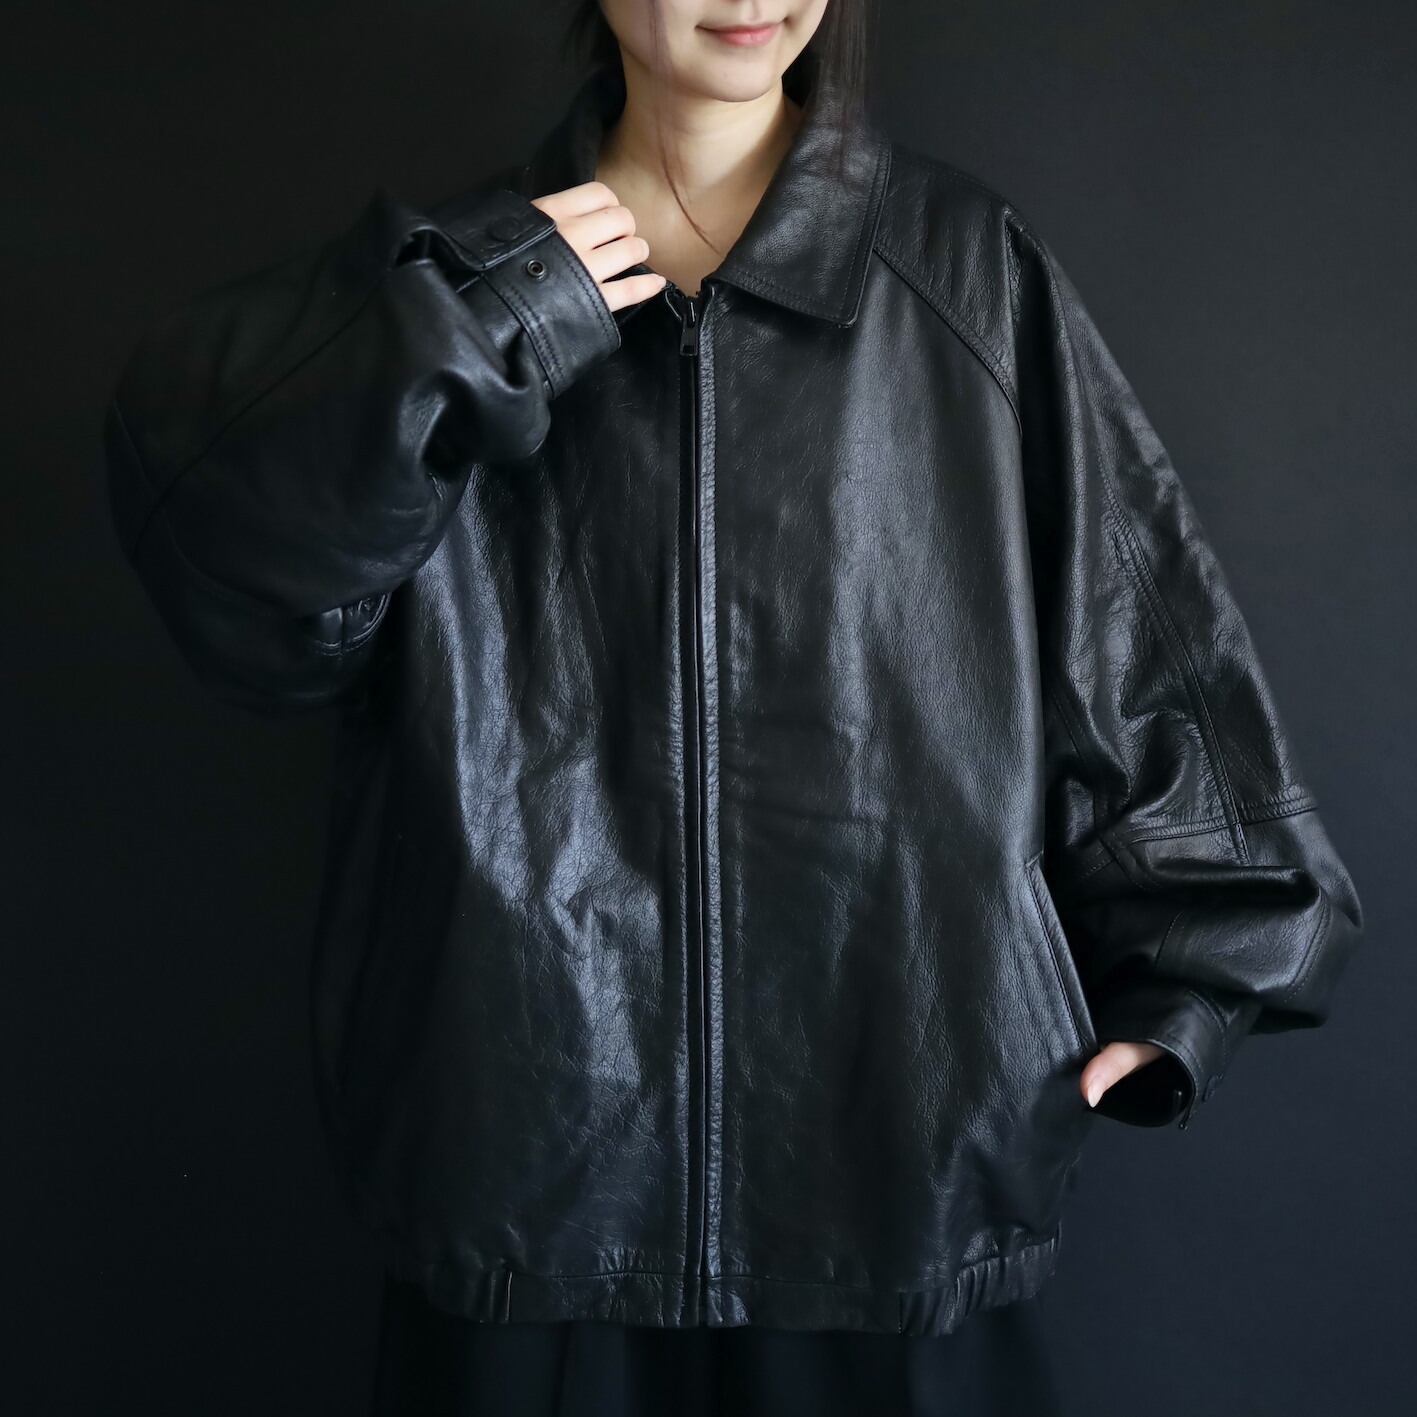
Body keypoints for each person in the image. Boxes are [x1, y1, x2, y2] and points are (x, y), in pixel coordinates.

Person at [101, 2, 1364, 1413]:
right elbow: (240, 592)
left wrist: (1200, 968)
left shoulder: (959, 267)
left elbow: (1142, 634)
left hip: (899, 1182)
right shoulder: (443, 297)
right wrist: (466, 322)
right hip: (523, 1191)